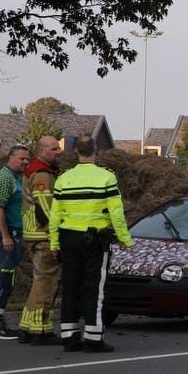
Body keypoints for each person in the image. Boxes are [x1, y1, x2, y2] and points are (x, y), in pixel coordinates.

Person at [48, 135, 134, 352]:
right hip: (95, 240)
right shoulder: (106, 177)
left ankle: (69, 337)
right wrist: (125, 239)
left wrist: (54, 242)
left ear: (76, 151)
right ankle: (94, 339)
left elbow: (55, 214)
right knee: (94, 288)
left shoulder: (63, 179)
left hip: (68, 239)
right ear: (96, 151)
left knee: (70, 286)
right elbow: (116, 211)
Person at [18, 136, 62, 344]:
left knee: (39, 281)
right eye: (54, 149)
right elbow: (47, 210)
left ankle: (27, 326)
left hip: (34, 233)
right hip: (44, 235)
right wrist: (57, 236)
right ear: (42, 151)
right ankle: (40, 330)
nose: (58, 152)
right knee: (46, 282)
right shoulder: (42, 174)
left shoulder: (36, 171)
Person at [0, 144, 31, 339]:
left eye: (27, 159)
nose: (25, 162)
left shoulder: (16, 178)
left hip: (13, 234)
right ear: (10, 158)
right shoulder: (5, 178)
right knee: (2, 277)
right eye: (22, 159)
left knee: (7, 277)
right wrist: (5, 236)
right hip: (4, 235)